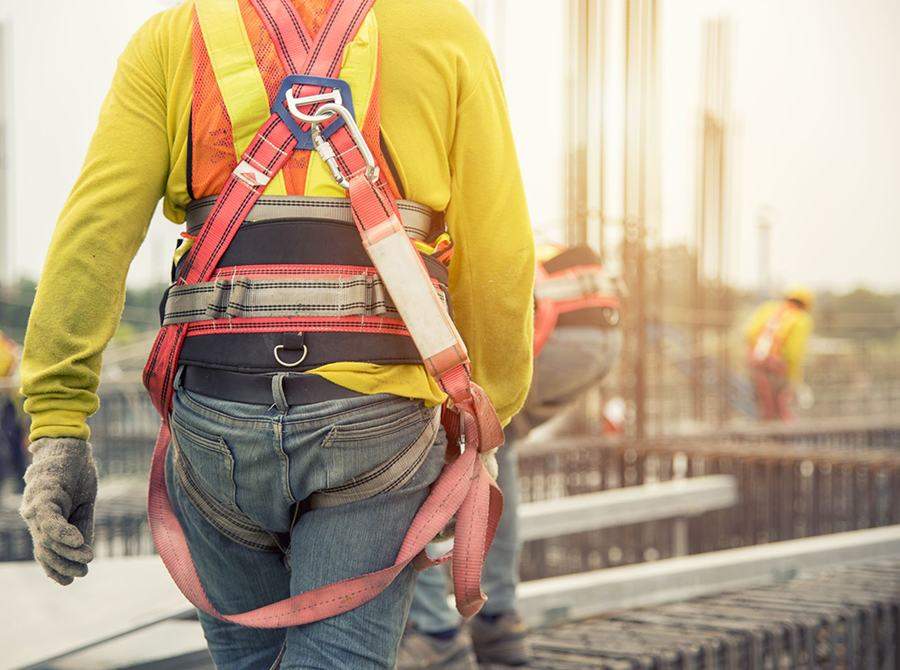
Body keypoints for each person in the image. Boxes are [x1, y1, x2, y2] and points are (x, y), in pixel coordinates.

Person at [17, 1, 534, 668]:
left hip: (215, 419)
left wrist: (59, 428)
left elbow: (94, 233)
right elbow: (501, 253)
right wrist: (485, 419)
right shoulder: (441, 27)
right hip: (374, 421)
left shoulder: (175, 37)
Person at [398, 244, 622, 669]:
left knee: (409, 458)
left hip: (552, 332)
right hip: (596, 332)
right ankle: (497, 622)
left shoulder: (409, 224)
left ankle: (435, 631)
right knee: (498, 448)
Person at [745, 286, 814, 422]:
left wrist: (753, 356)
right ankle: (784, 436)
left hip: (758, 360)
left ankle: (769, 434)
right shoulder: (802, 318)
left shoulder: (769, 308)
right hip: (779, 364)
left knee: (766, 403)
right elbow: (794, 351)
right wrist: (793, 374)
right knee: (783, 402)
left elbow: (750, 333)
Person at [0, 332, 25, 493]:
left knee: (12, 441)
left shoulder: (6, 346)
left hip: (9, 403)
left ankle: (19, 483)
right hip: (9, 402)